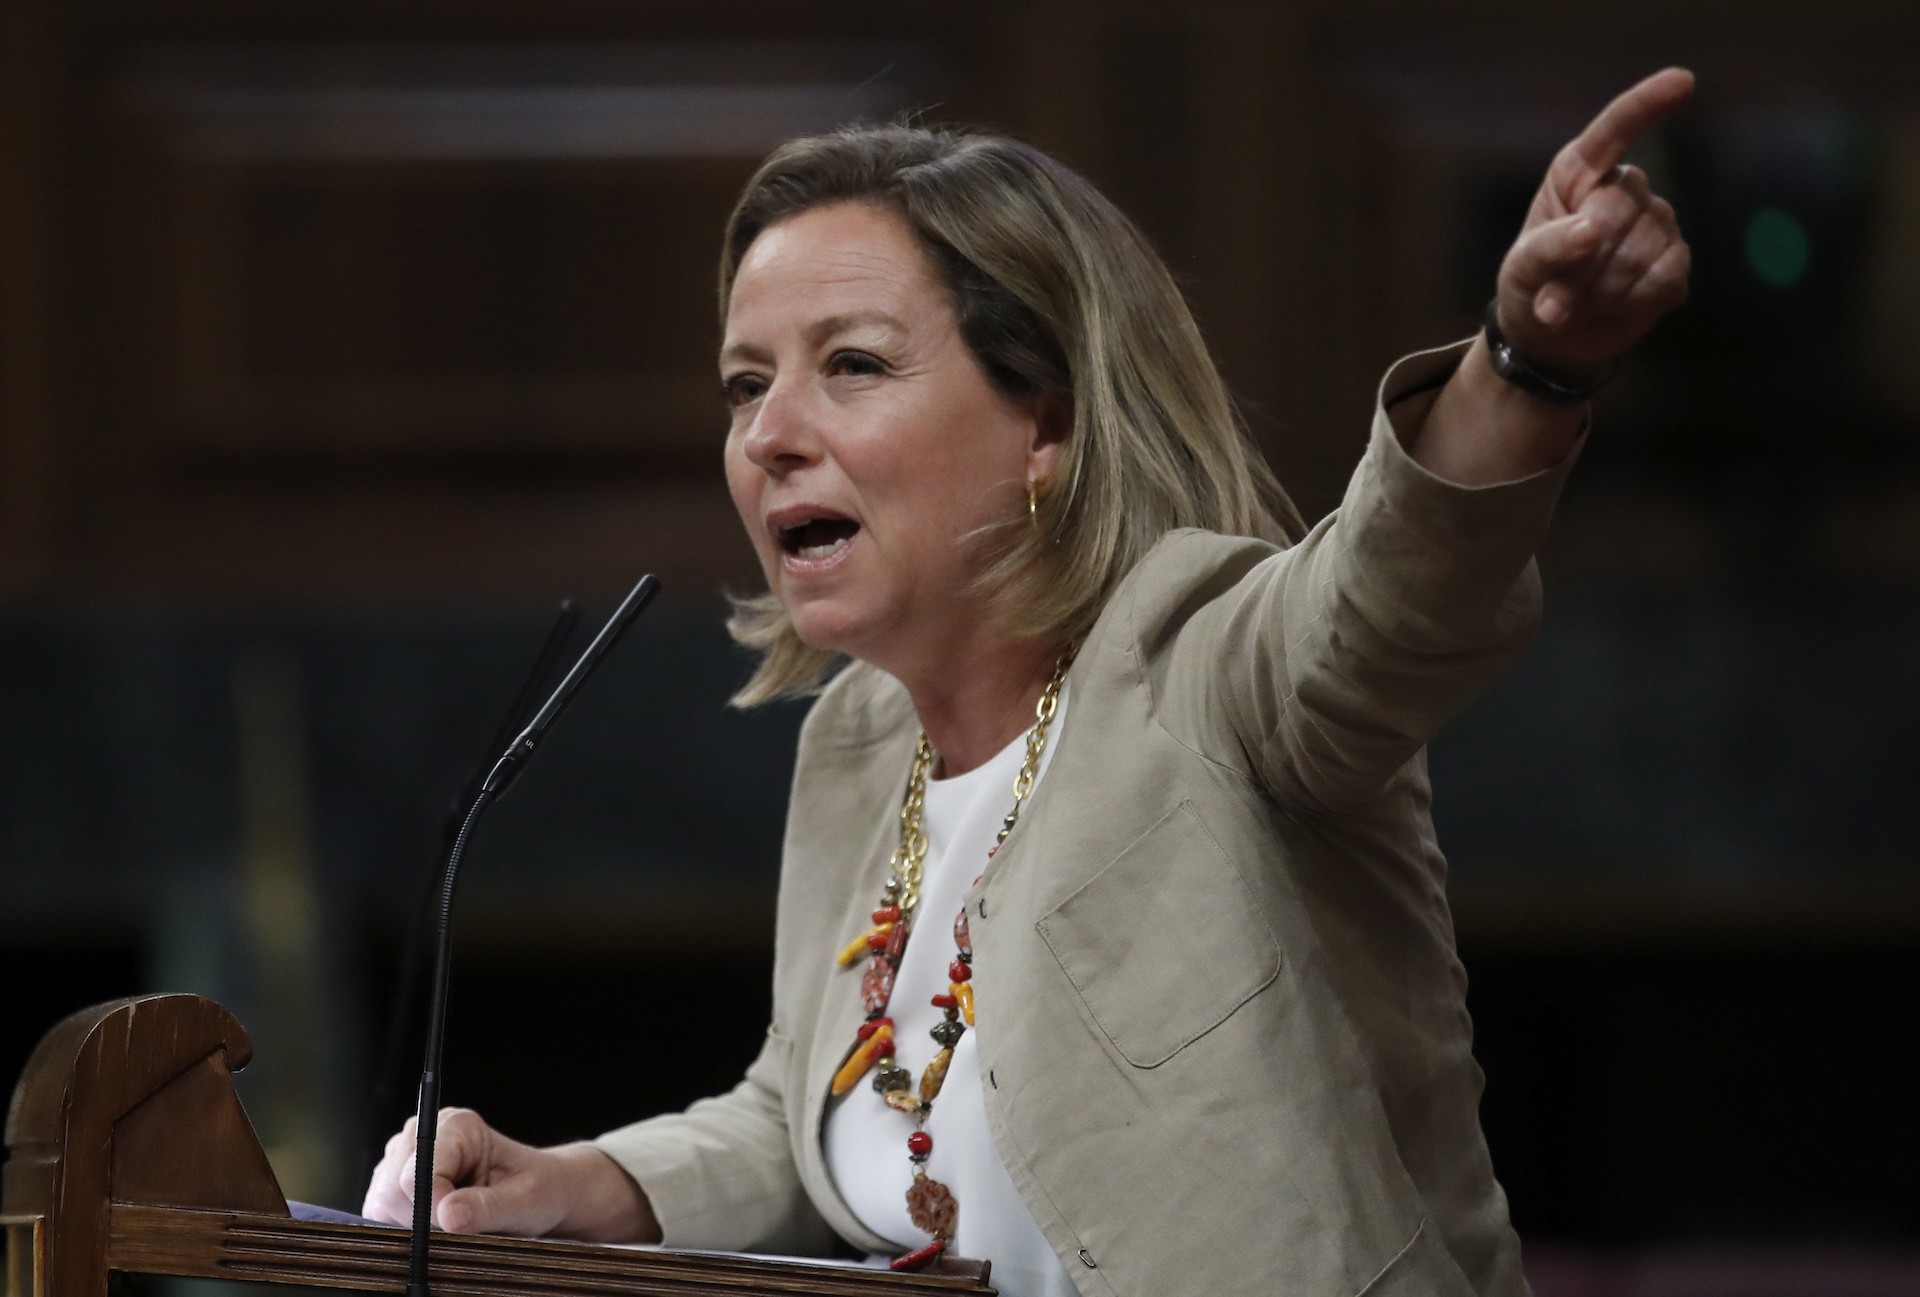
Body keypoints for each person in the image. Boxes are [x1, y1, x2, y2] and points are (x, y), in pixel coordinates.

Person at [363, 69, 1695, 1297]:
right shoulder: (860, 740)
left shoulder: (1208, 661)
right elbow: (809, 1106)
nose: (769, 435)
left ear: (1046, 422)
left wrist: (1528, 365)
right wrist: (581, 1182)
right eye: (744, 384)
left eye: (852, 365)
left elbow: (1395, 597)